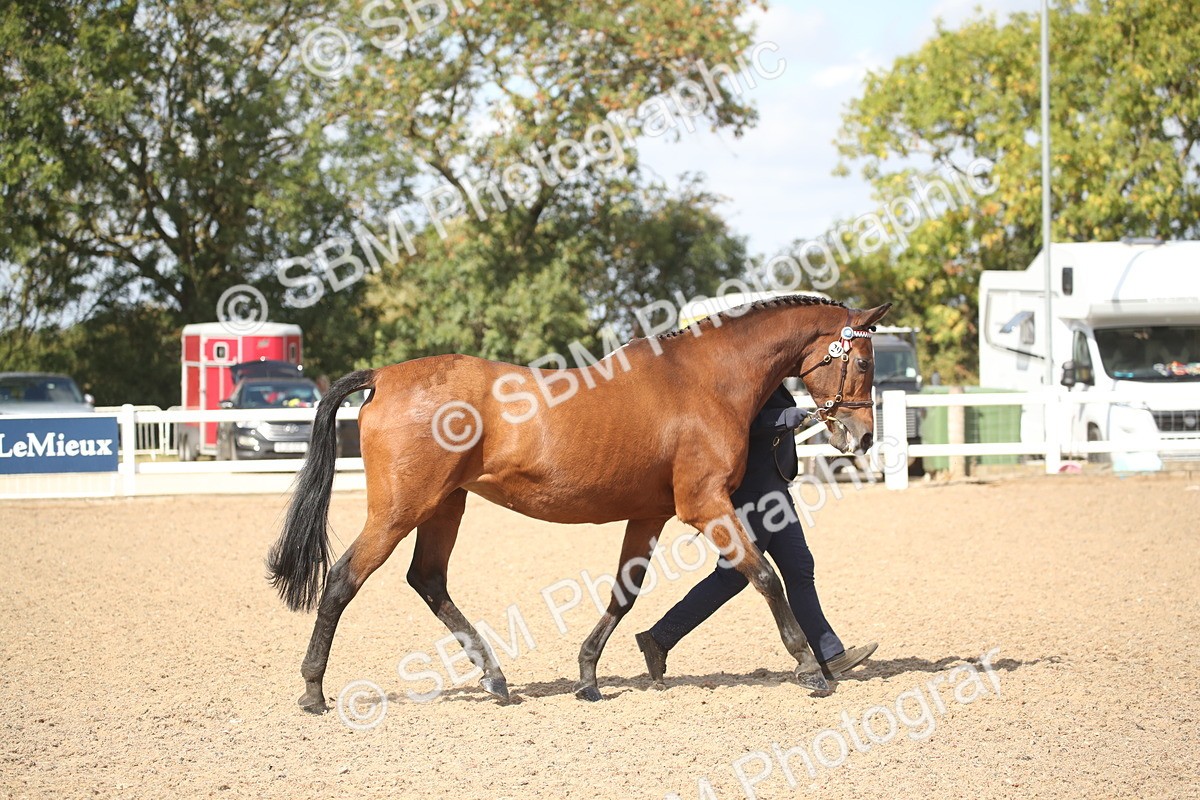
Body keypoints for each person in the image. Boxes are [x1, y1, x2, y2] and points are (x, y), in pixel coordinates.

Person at [636, 384, 877, 684]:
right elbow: (735, 419)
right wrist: (781, 419)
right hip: (752, 492)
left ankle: (830, 654)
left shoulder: (773, 374)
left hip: (774, 487)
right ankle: (659, 638)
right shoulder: (743, 372)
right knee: (732, 576)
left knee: (799, 567)